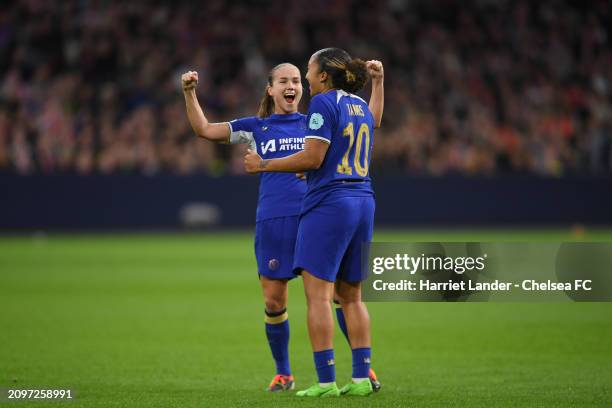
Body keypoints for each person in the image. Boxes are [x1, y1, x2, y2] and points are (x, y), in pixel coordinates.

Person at [182, 60, 383, 393]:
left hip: (316, 215)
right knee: (275, 301)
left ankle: (363, 369)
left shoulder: (316, 121)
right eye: (284, 81)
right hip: (275, 221)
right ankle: (284, 373)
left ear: (303, 88)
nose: (292, 86)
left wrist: (377, 84)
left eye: (296, 80)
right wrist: (190, 93)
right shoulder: (256, 127)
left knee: (336, 296)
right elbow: (204, 129)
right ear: (270, 89)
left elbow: (364, 126)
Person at [244, 48, 383, 397]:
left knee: (318, 297)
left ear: (323, 75)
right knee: (351, 296)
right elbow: (375, 120)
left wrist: (263, 164)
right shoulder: (356, 103)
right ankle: (362, 379)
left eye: (307, 69)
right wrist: (379, 84)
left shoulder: (322, 103)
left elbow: (313, 157)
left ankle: (325, 382)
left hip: (331, 202)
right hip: (364, 198)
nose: (304, 77)